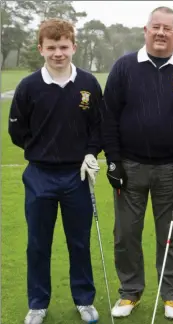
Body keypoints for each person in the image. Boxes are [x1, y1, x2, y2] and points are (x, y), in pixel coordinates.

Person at [100, 6, 173, 320]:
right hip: (130, 167)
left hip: (172, 170)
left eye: (167, 28)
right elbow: (109, 118)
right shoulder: (124, 67)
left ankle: (171, 295)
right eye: (155, 27)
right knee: (125, 235)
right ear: (145, 30)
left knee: (171, 235)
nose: (161, 33)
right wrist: (113, 162)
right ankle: (130, 293)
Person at [8, 18, 103, 324]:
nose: (58, 53)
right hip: (39, 175)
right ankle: (37, 303)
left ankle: (84, 299)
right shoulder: (29, 86)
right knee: (38, 243)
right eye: (52, 47)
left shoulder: (88, 84)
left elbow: (98, 127)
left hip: (77, 176)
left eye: (64, 46)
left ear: (74, 47)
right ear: (41, 49)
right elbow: (17, 132)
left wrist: (90, 153)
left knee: (79, 242)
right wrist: (42, 152)